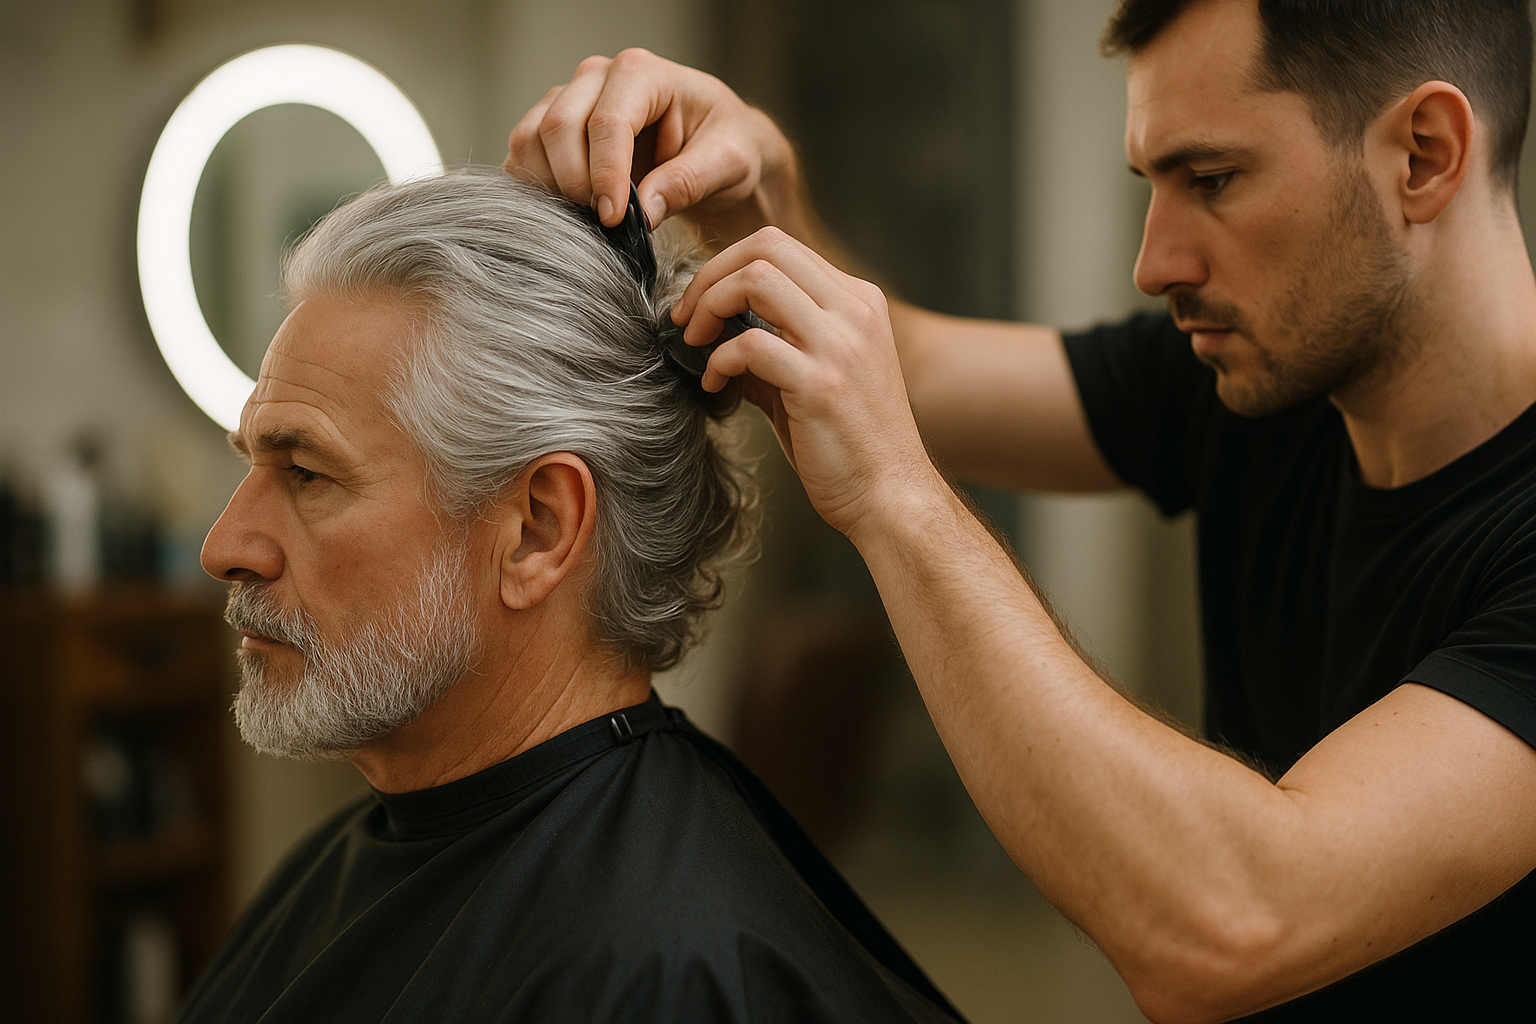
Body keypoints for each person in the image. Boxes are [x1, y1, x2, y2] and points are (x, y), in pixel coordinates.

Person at [505, 0, 1536, 1019]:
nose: (1156, 265)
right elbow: (913, 368)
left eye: (1213, 180)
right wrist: (757, 197)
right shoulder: (1265, 374)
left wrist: (895, 497)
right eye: (1153, 185)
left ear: (1425, 155)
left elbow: (1235, 919)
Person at [181, 169, 963, 1024]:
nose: (226, 548)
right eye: (253, 464)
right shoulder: (344, 861)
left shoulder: (665, 974)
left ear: (538, 530)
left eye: (306, 472)